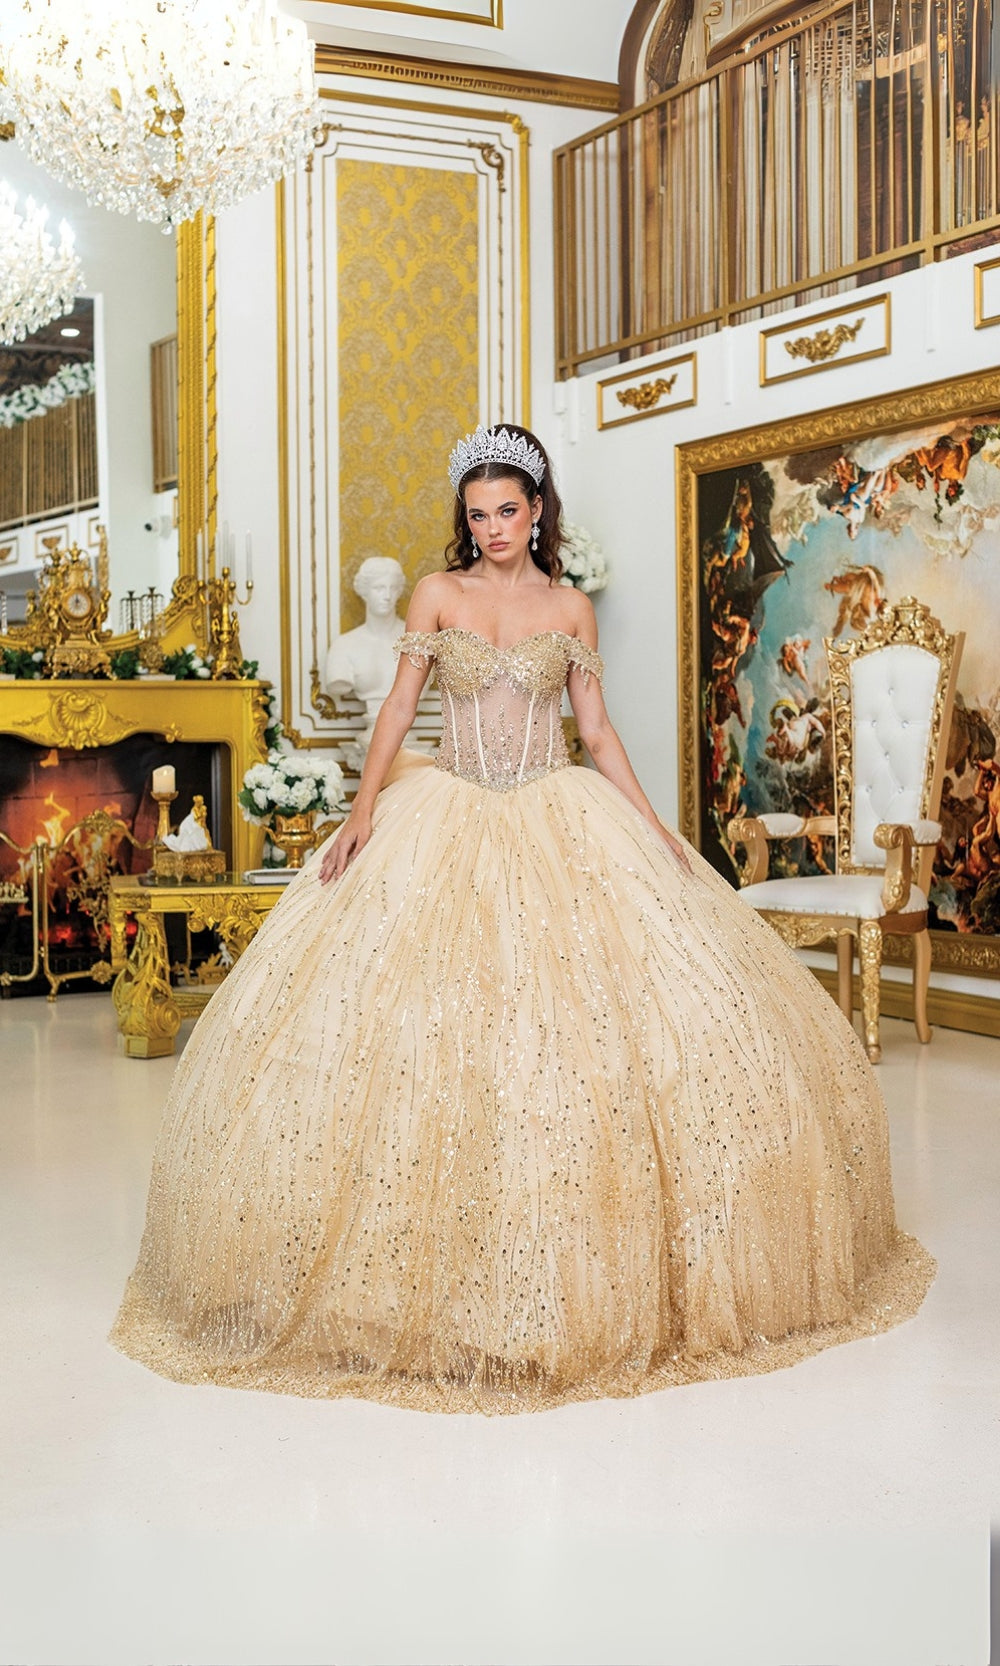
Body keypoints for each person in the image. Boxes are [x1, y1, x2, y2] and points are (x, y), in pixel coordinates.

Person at [111, 424, 933, 1414]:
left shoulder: (568, 605)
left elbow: (594, 731)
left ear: (537, 510)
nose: (493, 529)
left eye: (508, 510)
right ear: (464, 520)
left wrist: (652, 826)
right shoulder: (438, 595)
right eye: (477, 514)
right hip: (445, 803)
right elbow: (397, 711)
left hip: (557, 805)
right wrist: (362, 809)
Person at [323, 555, 409, 752]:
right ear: (364, 592)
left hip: (409, 743)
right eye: (379, 588)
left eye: (393, 588)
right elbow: (337, 683)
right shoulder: (344, 646)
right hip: (367, 739)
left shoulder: (413, 643)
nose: (387, 595)